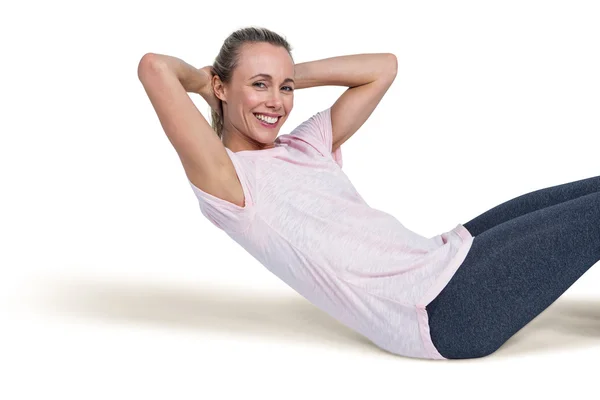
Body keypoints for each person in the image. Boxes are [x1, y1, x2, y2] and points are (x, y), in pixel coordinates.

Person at [138, 26, 600, 360]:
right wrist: (202, 84)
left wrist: (283, 72)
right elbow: (154, 67)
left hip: (446, 258)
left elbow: (383, 68)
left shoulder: (306, 144)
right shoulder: (230, 182)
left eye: (286, 87)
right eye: (259, 85)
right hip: (442, 312)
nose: (276, 101)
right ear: (222, 86)